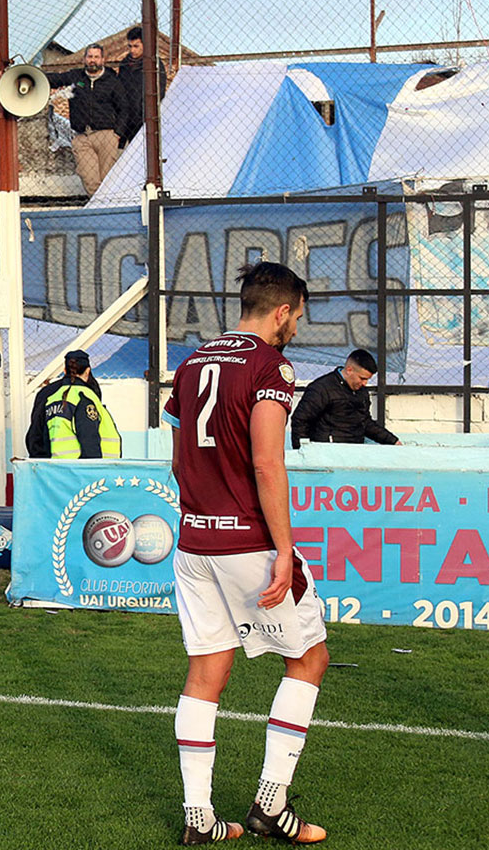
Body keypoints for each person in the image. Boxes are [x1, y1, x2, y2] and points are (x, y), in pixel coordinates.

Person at [162, 262, 329, 845]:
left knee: (207, 671)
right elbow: (267, 461)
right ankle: (269, 804)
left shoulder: (193, 361)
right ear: (281, 310)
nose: (296, 328)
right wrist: (284, 549)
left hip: (195, 540)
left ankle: (199, 818)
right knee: (308, 658)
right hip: (247, 543)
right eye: (297, 316)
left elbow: (179, 458)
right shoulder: (269, 366)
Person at [44, 44, 130, 197]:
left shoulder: (112, 81)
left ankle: (109, 208)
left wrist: (117, 133)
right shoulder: (75, 77)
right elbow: (55, 79)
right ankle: (98, 205)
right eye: (90, 56)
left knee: (108, 178)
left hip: (106, 135)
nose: (93, 60)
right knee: (87, 175)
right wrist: (32, 75)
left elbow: (124, 108)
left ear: (103, 60)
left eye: (96, 57)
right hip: (82, 136)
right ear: (84, 59)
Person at [289, 348, 399, 448]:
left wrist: (392, 441)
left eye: (367, 379)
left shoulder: (362, 392)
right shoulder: (321, 388)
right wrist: (303, 452)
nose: (365, 383)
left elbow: (365, 422)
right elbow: (300, 420)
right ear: (349, 370)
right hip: (326, 453)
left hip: (354, 452)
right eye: (362, 378)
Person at [24, 349, 122, 459]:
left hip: (54, 464)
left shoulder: (48, 394)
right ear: (88, 371)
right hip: (83, 468)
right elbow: (89, 436)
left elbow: (36, 433)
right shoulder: (85, 394)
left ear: (65, 370)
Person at [119, 26, 166, 145]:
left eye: (136, 46)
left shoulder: (155, 65)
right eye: (130, 46)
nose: (132, 50)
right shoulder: (125, 64)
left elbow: (159, 92)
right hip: (126, 119)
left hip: (145, 119)